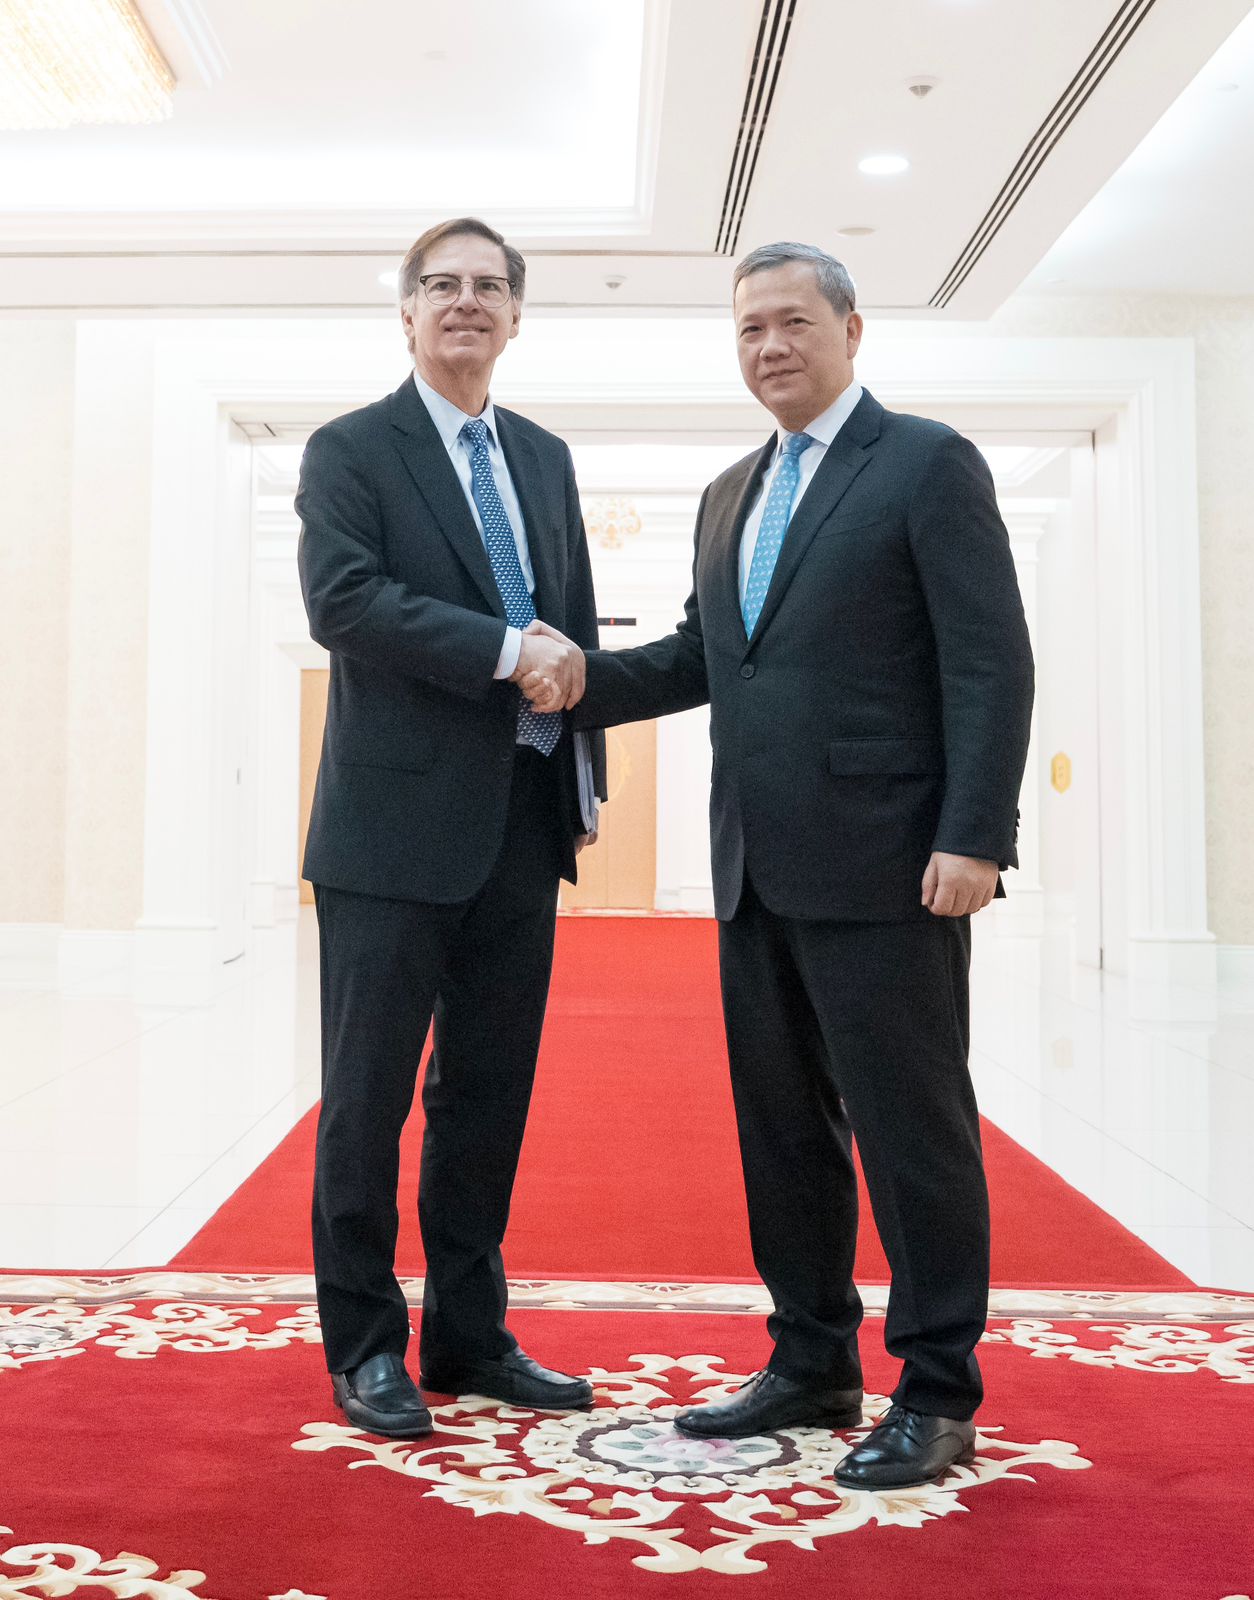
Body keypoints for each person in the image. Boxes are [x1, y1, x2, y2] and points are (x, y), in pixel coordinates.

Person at [523, 241, 1034, 1489]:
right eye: (750, 328)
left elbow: (989, 659)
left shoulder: (925, 463)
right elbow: (705, 655)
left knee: (913, 1132)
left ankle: (937, 1388)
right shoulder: (728, 493)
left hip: (891, 867)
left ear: (853, 330)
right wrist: (576, 678)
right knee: (783, 1132)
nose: (770, 346)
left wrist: (975, 833)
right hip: (755, 867)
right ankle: (811, 1357)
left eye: (794, 321)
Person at [296, 216, 605, 1439]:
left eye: (488, 285)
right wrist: (505, 650)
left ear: (516, 316)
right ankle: (366, 1346)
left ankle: (470, 1336)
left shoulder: (544, 456)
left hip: (521, 827)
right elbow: (345, 602)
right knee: (366, 1101)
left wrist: (582, 775)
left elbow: (571, 622)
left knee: (487, 1098)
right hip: (388, 834)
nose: (465, 300)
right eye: (442, 284)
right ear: (408, 313)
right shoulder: (351, 449)